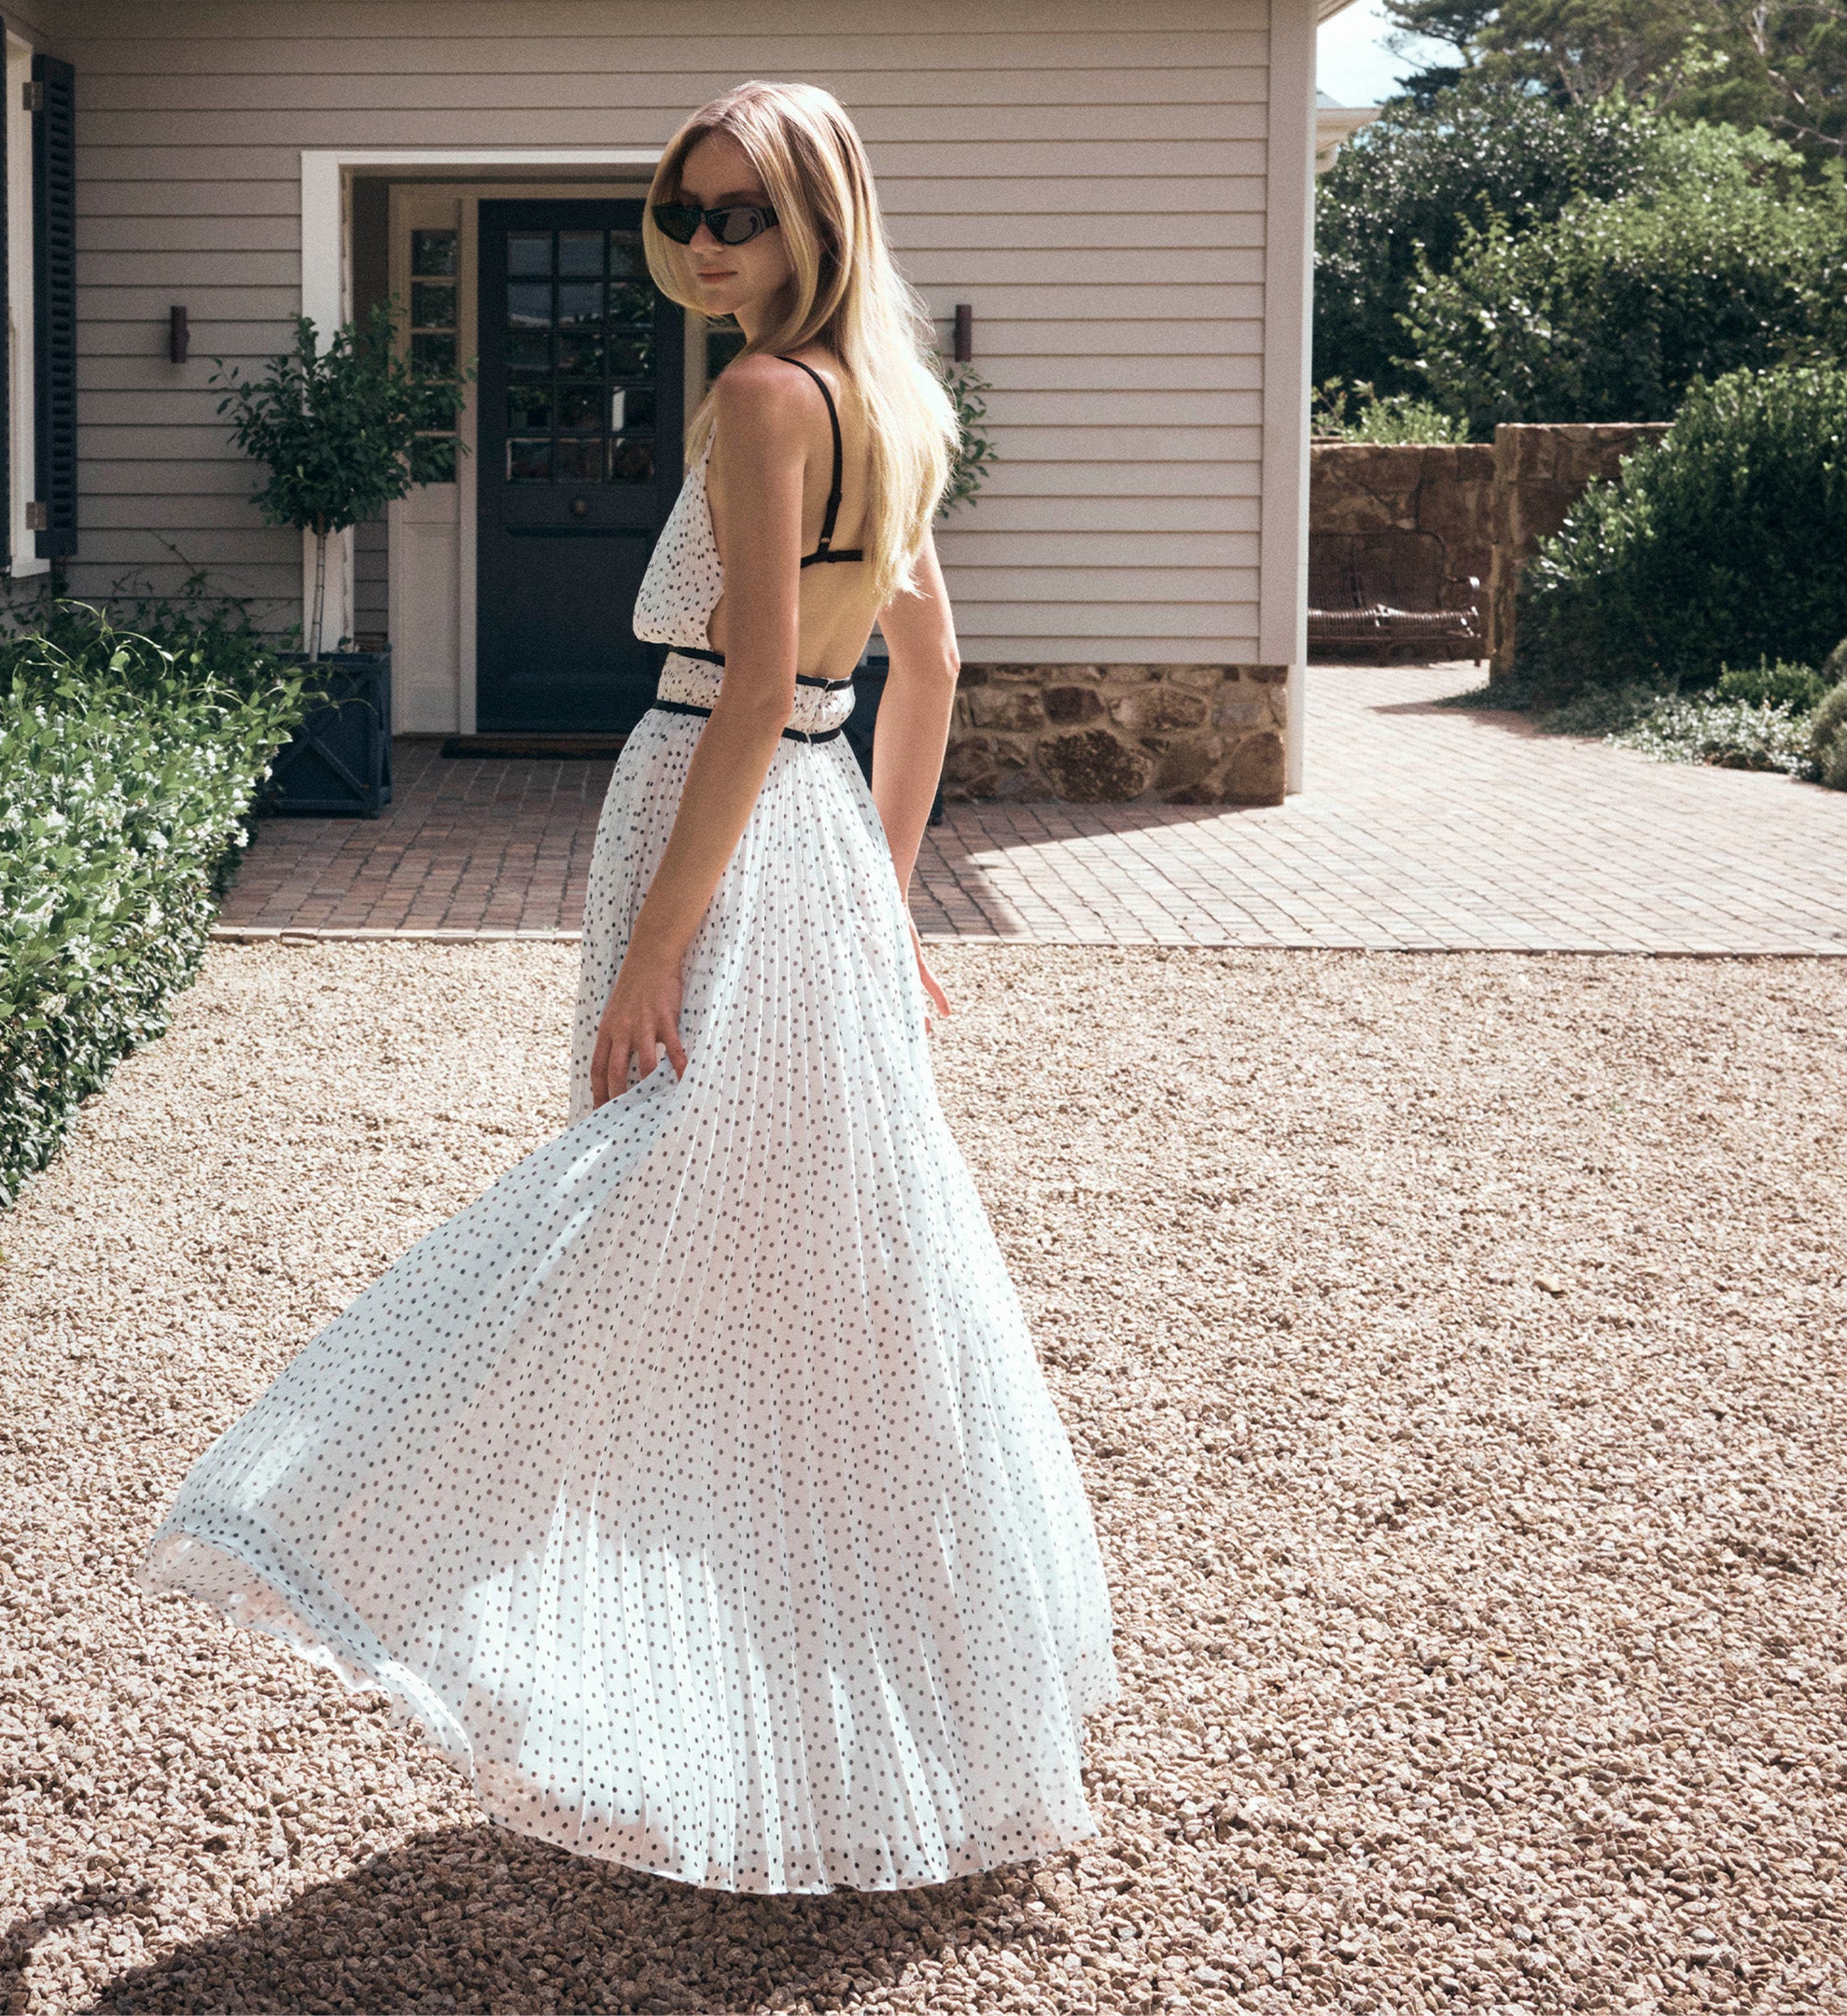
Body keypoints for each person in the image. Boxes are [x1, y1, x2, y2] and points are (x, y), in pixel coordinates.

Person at [136, 80, 1117, 1896]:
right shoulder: (889, 396)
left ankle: (461, 1564)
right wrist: (884, 897)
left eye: (741, 210)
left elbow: (752, 686)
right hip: (818, 836)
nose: (706, 242)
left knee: (638, 1218)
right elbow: (923, 670)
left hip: (721, 808)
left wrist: (663, 945)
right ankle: (828, 1704)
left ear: (816, 215)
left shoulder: (764, 398)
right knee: (810, 1259)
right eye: (686, 210)